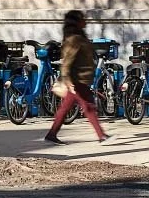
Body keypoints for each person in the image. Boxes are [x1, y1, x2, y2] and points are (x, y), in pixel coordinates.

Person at [45, 9, 107, 144]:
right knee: (89, 106)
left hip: (81, 79)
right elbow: (67, 62)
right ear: (76, 22)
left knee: (65, 108)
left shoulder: (79, 37)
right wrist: (68, 82)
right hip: (77, 80)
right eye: (82, 19)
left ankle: (52, 134)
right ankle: (101, 135)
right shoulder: (74, 40)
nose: (85, 21)